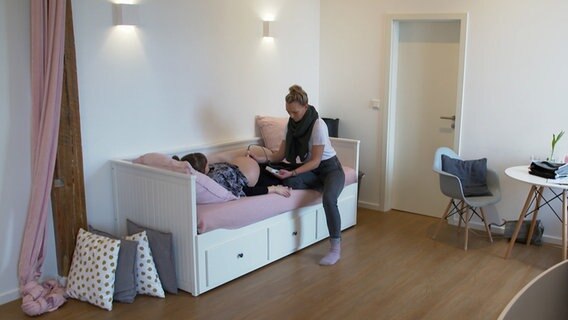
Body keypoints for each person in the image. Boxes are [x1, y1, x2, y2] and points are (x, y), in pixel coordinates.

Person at [250, 84, 345, 266]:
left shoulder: (318, 125)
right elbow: (280, 155)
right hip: (311, 170)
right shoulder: (290, 126)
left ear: (306, 106)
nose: (292, 116)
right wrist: (261, 159)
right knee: (288, 180)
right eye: (289, 112)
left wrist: (293, 170)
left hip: (330, 169)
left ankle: (335, 249)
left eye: (295, 112)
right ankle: (315, 185)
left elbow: (316, 161)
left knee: (329, 199)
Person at [174, 153, 292, 198]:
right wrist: (274, 189)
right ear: (201, 169)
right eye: (206, 164)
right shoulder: (215, 181)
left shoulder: (209, 171)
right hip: (259, 178)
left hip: (259, 167)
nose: (209, 164)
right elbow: (245, 191)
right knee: (287, 178)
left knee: (278, 168)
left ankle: (292, 169)